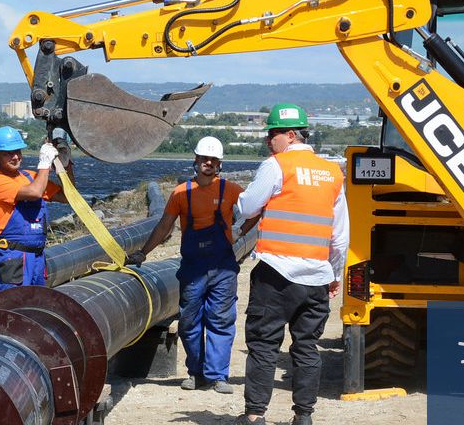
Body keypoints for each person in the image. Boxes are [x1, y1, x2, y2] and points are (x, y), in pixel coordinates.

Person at [234, 104, 348, 425]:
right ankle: (304, 416)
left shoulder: (276, 166)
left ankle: (255, 416)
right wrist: (334, 275)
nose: (269, 140)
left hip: (276, 275)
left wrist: (247, 204)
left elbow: (247, 206)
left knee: (264, 345)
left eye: (273, 134)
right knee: (307, 348)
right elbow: (340, 237)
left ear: (291, 135)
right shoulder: (332, 174)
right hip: (315, 279)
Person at [127, 136, 244, 395]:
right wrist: (143, 253)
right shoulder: (181, 193)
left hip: (223, 266)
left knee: (221, 319)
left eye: (213, 160)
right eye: (205, 159)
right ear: (196, 161)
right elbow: (164, 226)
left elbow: (256, 209)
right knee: (190, 321)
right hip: (193, 266)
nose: (209, 163)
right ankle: (196, 372)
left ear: (220, 164)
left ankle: (218, 376)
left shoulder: (231, 190)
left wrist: (241, 231)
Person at [0, 126, 70, 293]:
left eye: (17, 151)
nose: (15, 157)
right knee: (13, 307)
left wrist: (65, 165)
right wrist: (44, 163)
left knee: (35, 306)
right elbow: (35, 192)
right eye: (8, 153)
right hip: (12, 257)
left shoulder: (30, 177)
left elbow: (67, 196)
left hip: (37, 257)